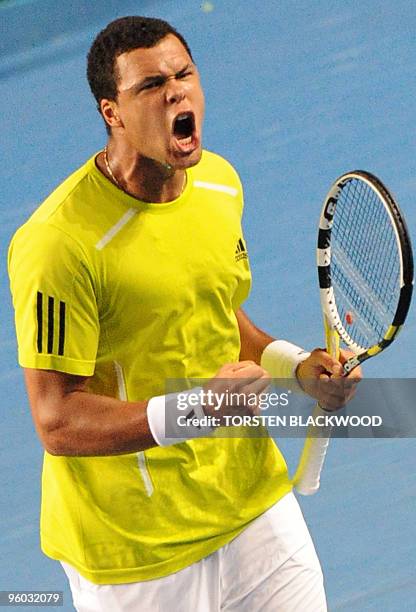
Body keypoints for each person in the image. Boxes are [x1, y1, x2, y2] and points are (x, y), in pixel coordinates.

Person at [8, 16, 360, 612]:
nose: (175, 92)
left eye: (183, 74)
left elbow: (219, 316)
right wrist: (196, 410)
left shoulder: (219, 184)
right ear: (111, 113)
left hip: (252, 511)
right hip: (138, 558)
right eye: (149, 85)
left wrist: (298, 367)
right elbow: (57, 421)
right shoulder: (58, 243)